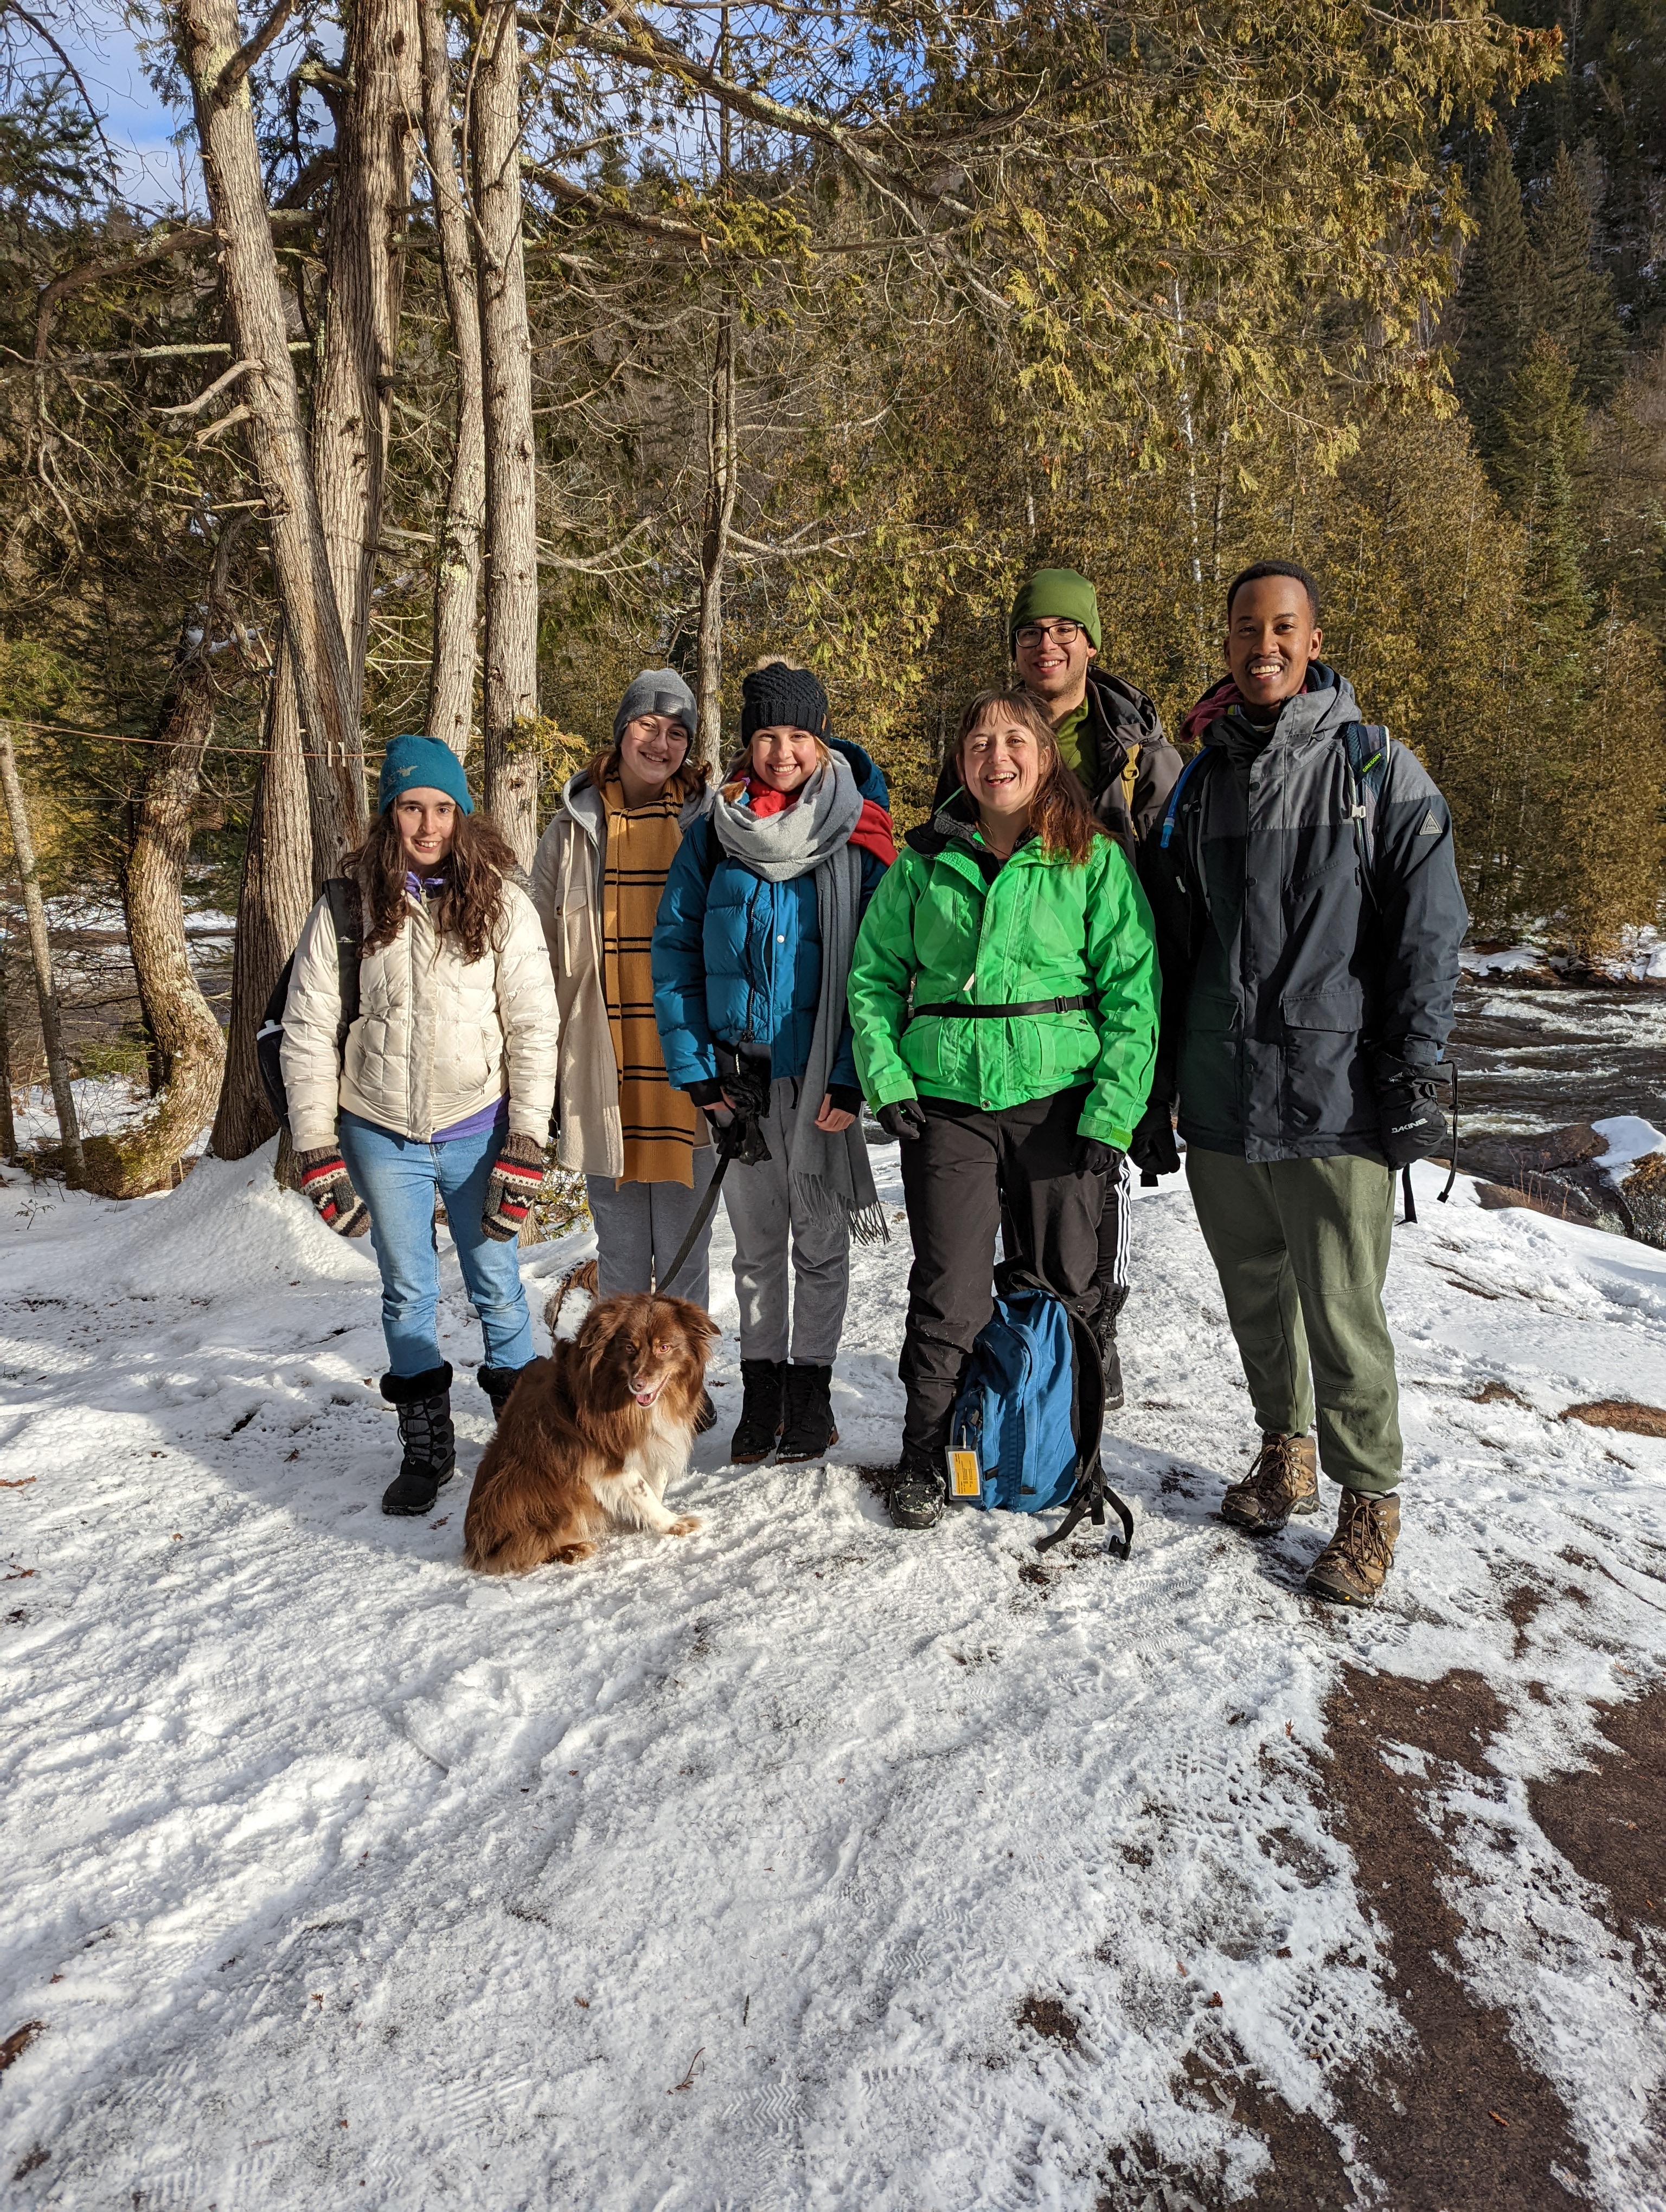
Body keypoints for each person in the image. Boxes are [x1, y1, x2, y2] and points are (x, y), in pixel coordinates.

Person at [1135, 561, 1465, 1606]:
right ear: (1225, 643)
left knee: (1342, 1307)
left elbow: (1429, 932)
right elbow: (1172, 950)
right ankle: (1287, 1454)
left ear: (1312, 639)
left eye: (1281, 627)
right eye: (1244, 628)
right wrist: (1155, 1088)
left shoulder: (1378, 771)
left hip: (1336, 1097)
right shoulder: (1197, 783)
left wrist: (1414, 1066)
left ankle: (1369, 1501)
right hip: (1223, 1091)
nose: (1261, 644)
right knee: (1256, 1298)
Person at [847, 688, 1158, 1531]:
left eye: (1015, 739)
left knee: (1063, 1288)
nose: (997, 756)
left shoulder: (1088, 859)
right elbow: (873, 979)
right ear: (961, 762)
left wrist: (1111, 1113)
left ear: (1045, 756)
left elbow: (1133, 993)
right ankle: (928, 1458)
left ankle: (1066, 1449)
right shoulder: (921, 860)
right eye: (979, 741)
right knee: (949, 1292)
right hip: (947, 1103)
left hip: (1059, 1101)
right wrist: (890, 1080)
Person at [281, 734, 558, 1517]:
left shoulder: (503, 902)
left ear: (463, 815)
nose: (428, 825)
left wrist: (526, 1142)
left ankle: (525, 1437)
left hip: (478, 1127)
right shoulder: (348, 905)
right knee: (406, 1291)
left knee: (497, 1285)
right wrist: (318, 1152)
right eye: (411, 807)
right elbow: (306, 1032)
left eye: (442, 808)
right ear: (389, 814)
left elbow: (535, 1026)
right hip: (378, 1128)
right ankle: (426, 1444)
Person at [932, 569, 1183, 1405]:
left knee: (1086, 1176)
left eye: (1064, 630)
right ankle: (1017, 1355)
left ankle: (1087, 1330)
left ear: (1091, 644)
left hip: (1111, 988)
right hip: (999, 1026)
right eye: (1031, 631)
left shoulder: (1139, 753)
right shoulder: (983, 739)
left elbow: (1172, 895)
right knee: (1013, 1196)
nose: (1048, 643)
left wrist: (1151, 1061)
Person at [652, 660, 894, 1466]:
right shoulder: (713, 836)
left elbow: (884, 970)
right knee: (757, 1250)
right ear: (748, 742)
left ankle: (811, 1396)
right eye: (767, 735)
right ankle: (762, 1396)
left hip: (820, 1078)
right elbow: (676, 953)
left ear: (821, 744)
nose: (782, 751)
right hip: (740, 1084)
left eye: (798, 735)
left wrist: (853, 1077)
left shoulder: (861, 841)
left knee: (821, 1246)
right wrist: (696, 1072)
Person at [530, 669, 718, 1316]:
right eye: (647, 725)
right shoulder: (571, 831)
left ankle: (681, 1390)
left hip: (686, 1070)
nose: (660, 743)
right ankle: (623, 1384)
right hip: (600, 1069)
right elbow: (540, 960)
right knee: (621, 1253)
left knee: (686, 1251)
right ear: (621, 732)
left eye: (676, 732)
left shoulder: (708, 827)